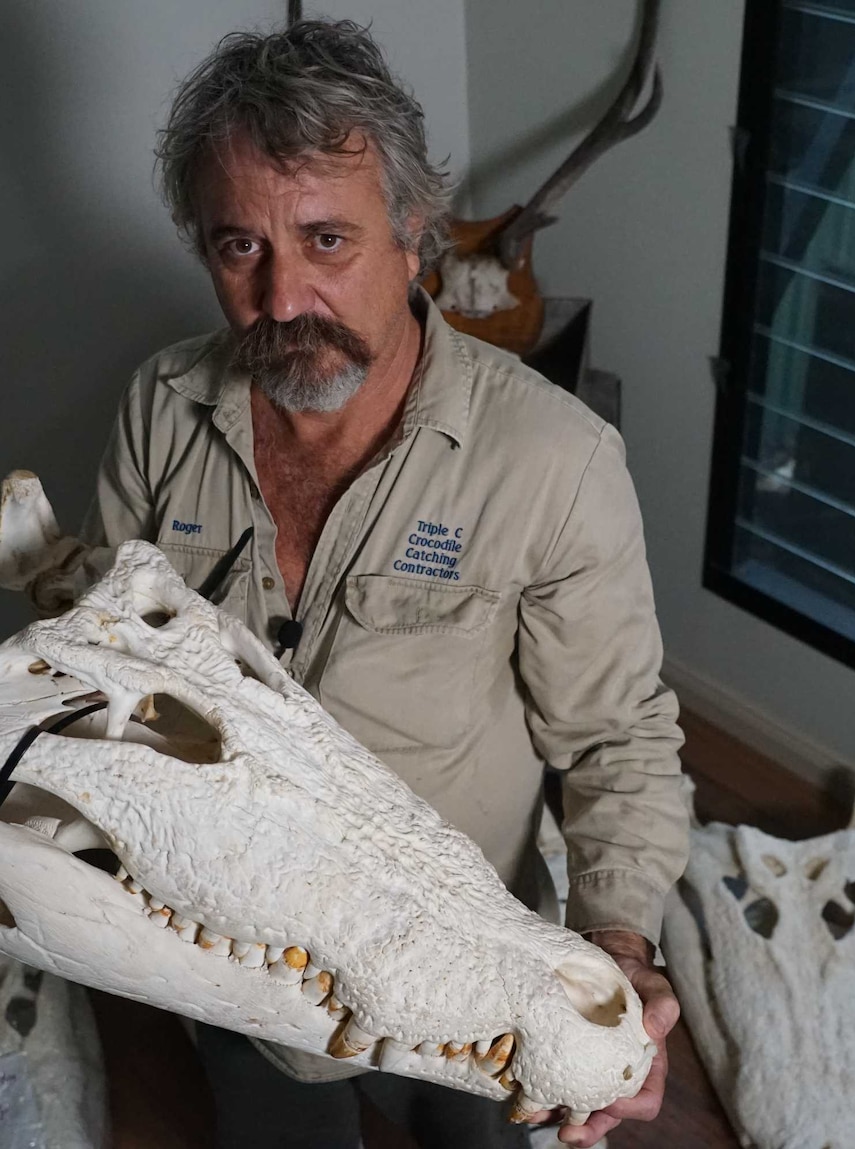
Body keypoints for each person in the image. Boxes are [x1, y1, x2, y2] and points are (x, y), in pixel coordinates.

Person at [81, 19, 688, 1149]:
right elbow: (107, 666)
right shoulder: (161, 406)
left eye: (326, 240)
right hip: (235, 969)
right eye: (239, 247)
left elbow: (617, 740)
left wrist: (615, 950)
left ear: (415, 235)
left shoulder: (552, 463)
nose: (281, 300)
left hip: (468, 973)